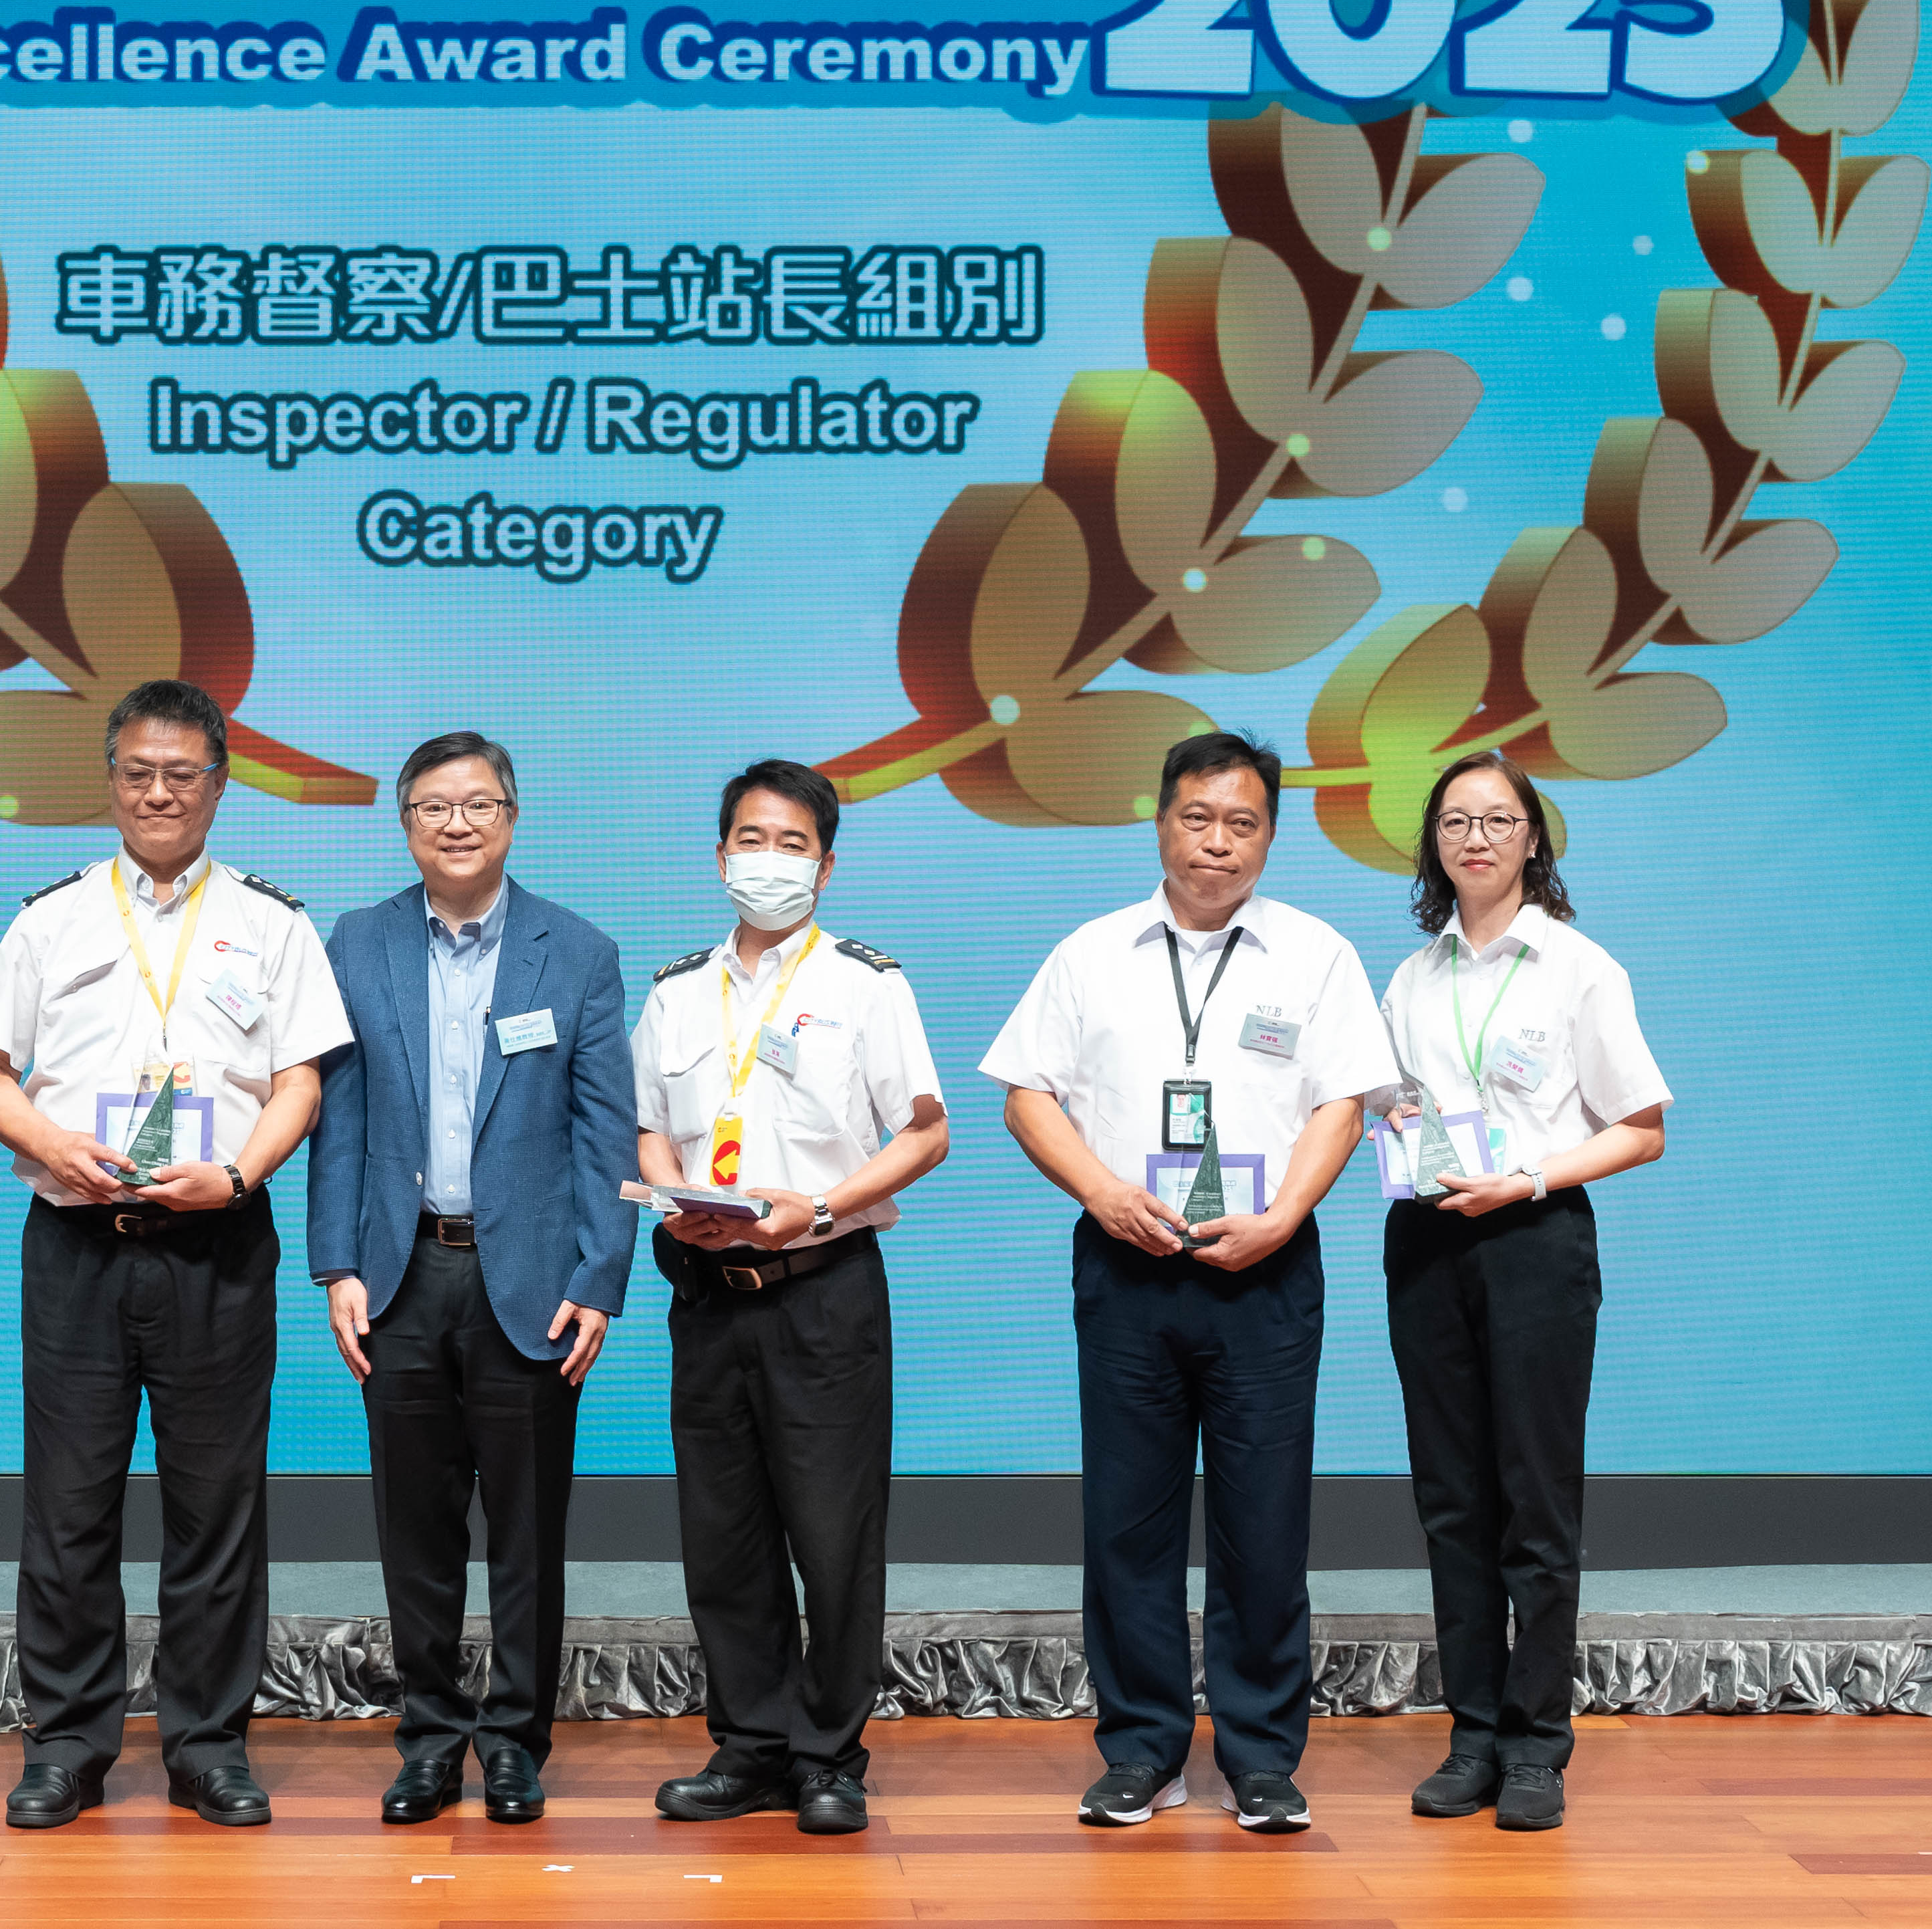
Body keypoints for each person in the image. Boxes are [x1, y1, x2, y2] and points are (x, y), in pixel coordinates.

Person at [978, 728, 1389, 1838]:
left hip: (1265, 1267)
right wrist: (1105, 1193)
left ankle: (1261, 1756)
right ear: (1159, 820)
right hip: (1128, 1263)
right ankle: (1143, 1750)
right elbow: (1025, 1094)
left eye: (1243, 821)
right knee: (1128, 1521)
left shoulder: (1317, 955)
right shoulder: (1091, 952)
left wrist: (1286, 1215)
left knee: (1266, 1519)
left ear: (1270, 833)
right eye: (1197, 817)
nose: (1218, 842)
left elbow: (1342, 1101)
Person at [0, 676, 354, 1830]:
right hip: (78, 1240)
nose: (159, 791)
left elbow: (302, 1080)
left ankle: (208, 1741)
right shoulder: (53, 917)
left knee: (215, 1506)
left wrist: (237, 1175)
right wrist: (51, 1142)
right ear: (112, 781)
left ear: (220, 786)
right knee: (69, 1505)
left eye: (183, 773)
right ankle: (68, 1743)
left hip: (217, 1241)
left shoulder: (273, 925)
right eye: (138, 771)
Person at [306, 730, 635, 1828]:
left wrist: (600, 1275)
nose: (458, 823)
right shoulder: (356, 942)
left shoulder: (577, 951)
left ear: (512, 815)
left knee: (530, 1529)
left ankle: (515, 1742)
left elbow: (604, 1133)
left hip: (531, 1281)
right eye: (434, 806)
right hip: (400, 1275)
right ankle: (431, 1738)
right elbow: (337, 1119)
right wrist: (337, 1263)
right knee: (416, 1526)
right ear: (406, 823)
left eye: (479, 803)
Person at [630, 756, 950, 1836]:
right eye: (751, 841)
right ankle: (750, 1745)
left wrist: (814, 1206)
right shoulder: (675, 989)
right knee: (723, 1533)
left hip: (823, 1287)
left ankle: (829, 1753)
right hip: (709, 1289)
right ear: (719, 855)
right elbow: (649, 1125)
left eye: (793, 844)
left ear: (826, 863)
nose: (769, 861)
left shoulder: (865, 984)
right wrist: (676, 1197)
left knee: (834, 1531)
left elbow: (926, 1128)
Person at [1379, 746, 1670, 1835]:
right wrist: (1395, 1126)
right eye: (1455, 821)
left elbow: (1640, 1128)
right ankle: (1473, 1733)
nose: (1476, 839)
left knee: (1535, 1500)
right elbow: (1395, 1106)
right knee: (1453, 1500)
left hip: (1538, 1234)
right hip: (1429, 1239)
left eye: (1498, 820)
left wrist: (1533, 1174)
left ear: (1533, 838)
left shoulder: (1579, 967)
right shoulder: (1411, 977)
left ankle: (1539, 1743)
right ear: (1434, 843)